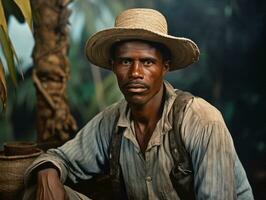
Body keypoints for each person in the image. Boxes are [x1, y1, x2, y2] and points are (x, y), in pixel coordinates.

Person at [23, 8, 254, 200]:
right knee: (37, 191)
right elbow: (60, 158)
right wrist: (47, 170)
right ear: (113, 66)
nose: (135, 72)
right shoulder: (111, 121)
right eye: (125, 61)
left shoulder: (202, 121)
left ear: (165, 67)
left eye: (147, 62)